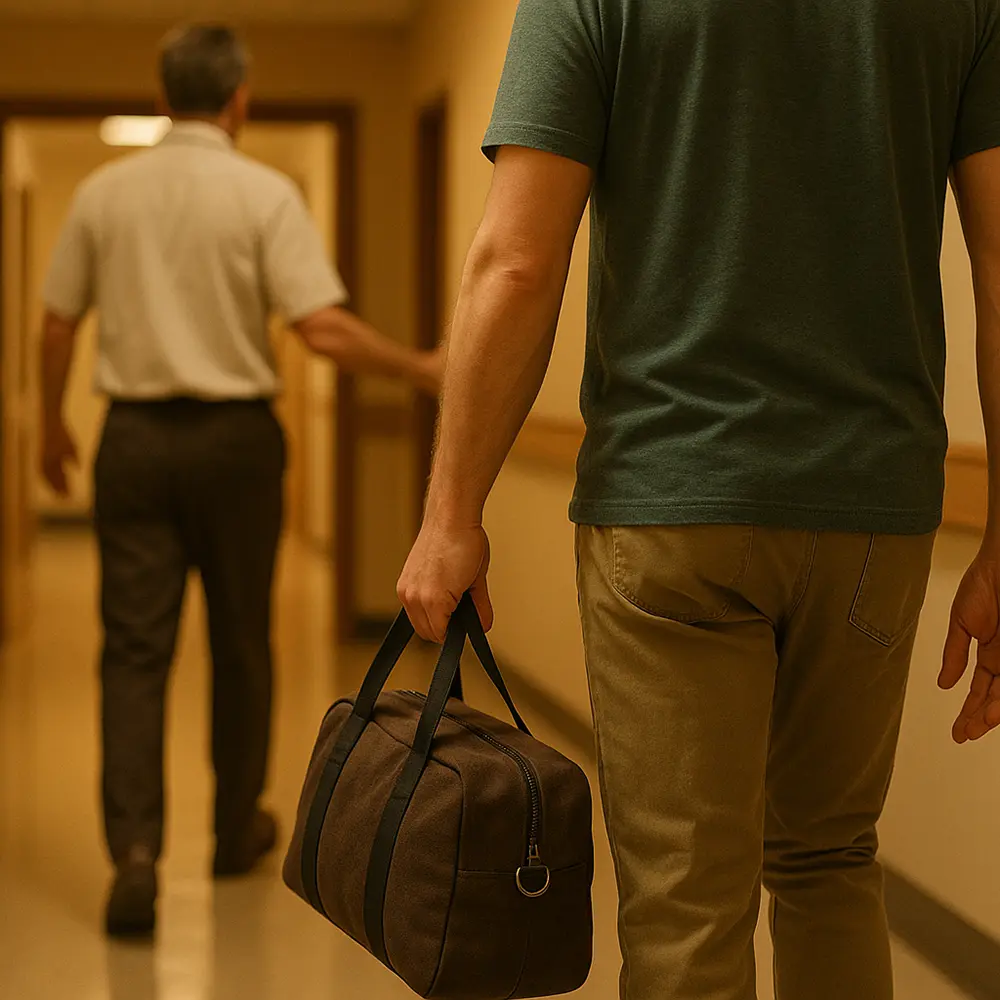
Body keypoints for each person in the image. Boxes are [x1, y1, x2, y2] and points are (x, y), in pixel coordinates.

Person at [398, 1, 1000, 998]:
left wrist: (449, 515)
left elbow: (517, 260)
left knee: (685, 903)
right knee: (830, 859)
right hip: (871, 508)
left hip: (668, 501)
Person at [39, 24, 441, 939]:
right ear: (240, 100)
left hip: (134, 441)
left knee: (133, 652)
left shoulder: (103, 193)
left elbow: (57, 323)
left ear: (161, 95)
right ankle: (232, 830)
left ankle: (134, 853)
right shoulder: (264, 194)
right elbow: (320, 327)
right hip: (236, 447)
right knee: (242, 640)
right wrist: (418, 366)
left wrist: (53, 424)